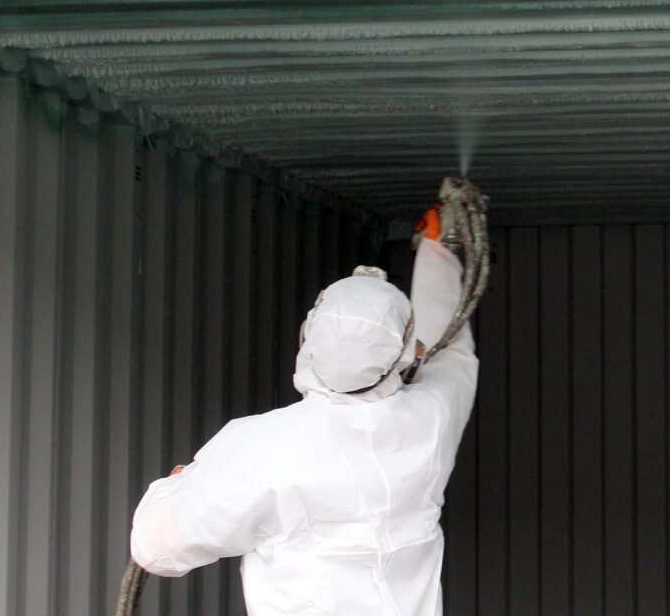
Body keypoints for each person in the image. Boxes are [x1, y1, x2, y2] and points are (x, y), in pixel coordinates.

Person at [129, 205, 479, 615]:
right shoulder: (429, 422)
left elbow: (156, 549)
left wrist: (177, 486)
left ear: (307, 336)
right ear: (404, 351)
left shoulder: (261, 446)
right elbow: (451, 355)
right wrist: (437, 253)